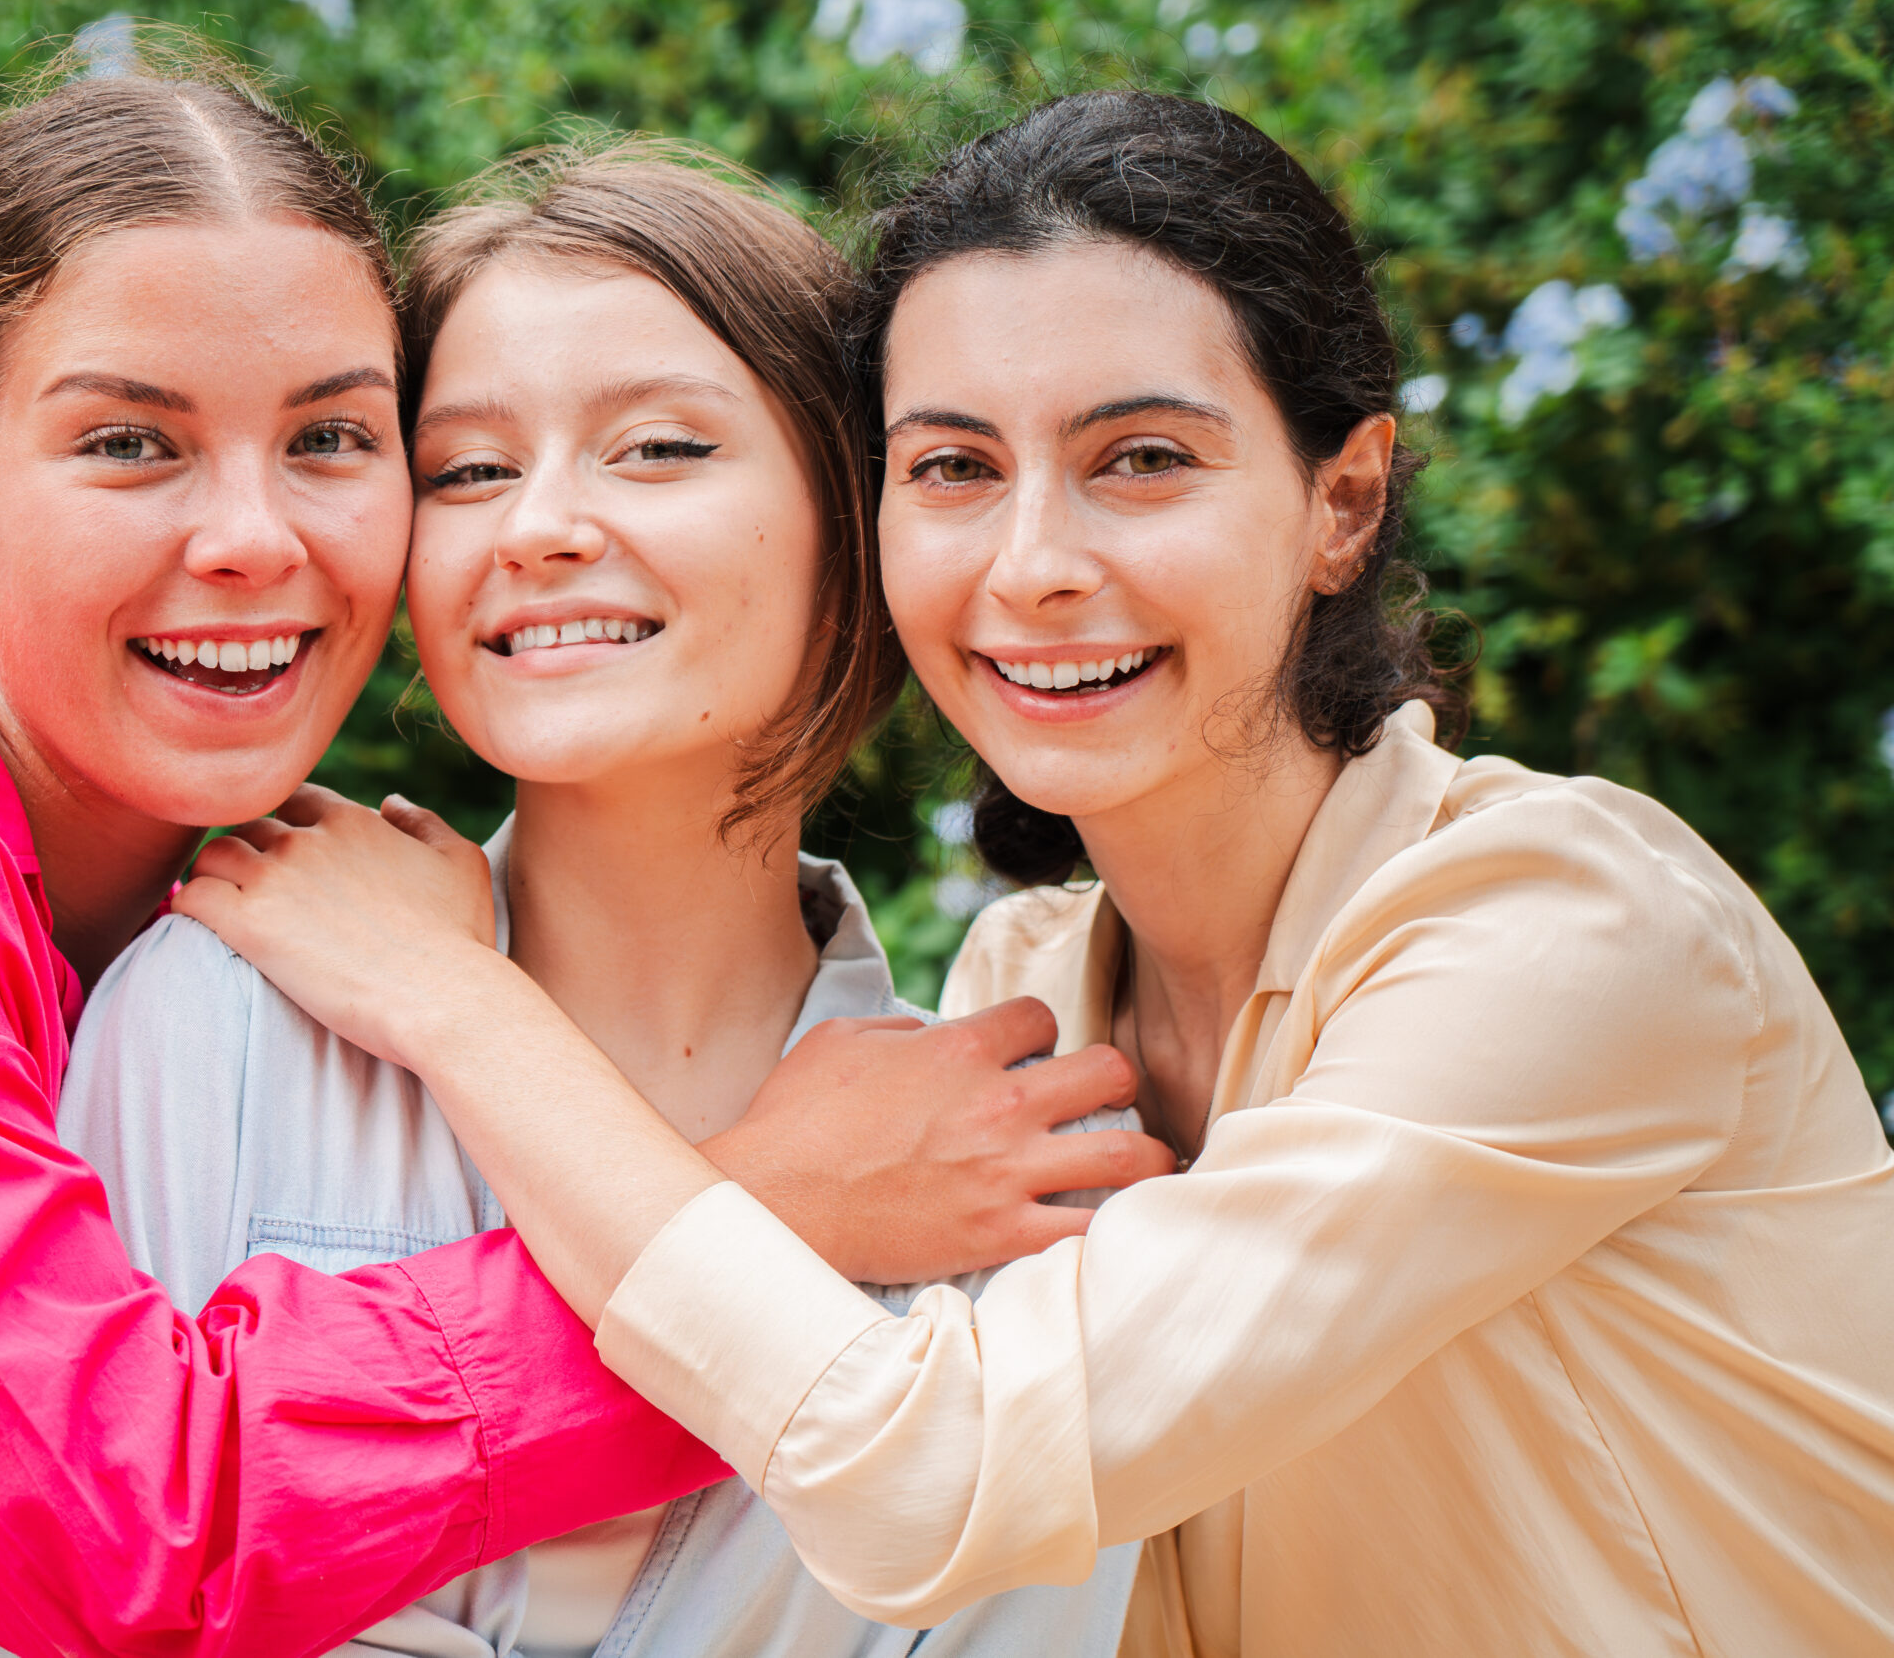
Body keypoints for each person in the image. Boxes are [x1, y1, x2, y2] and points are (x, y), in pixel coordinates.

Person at [0, 55, 1145, 1657]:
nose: (252, 540)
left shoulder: (191, 921)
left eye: (337, 442)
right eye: (131, 445)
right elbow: (122, 1532)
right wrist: (758, 1220)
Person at [171, 92, 1894, 1657]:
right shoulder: (1015, 1012)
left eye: (1142, 459)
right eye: (954, 470)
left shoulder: (1562, 931)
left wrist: (460, 1008)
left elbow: (934, 1472)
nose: (1036, 563)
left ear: (1343, 501)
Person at [53, 144, 1159, 1658]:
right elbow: (79, 1591)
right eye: (469, 470)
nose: (540, 527)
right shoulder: (222, 1009)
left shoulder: (1018, 1179)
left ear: (859, 512)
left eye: (656, 450)